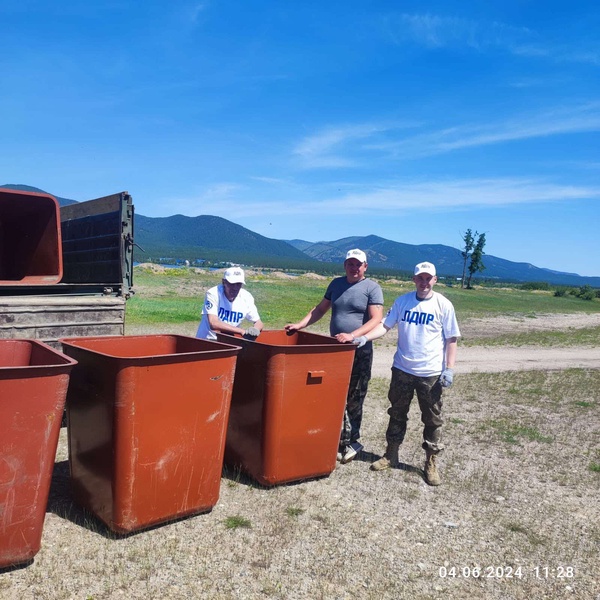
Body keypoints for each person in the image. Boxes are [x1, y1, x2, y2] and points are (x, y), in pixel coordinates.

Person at [353, 261, 460, 486]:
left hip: (430, 374)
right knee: (397, 413)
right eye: (420, 278)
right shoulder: (403, 302)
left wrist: (449, 368)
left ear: (435, 280)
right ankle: (391, 454)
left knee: (432, 419)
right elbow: (385, 325)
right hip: (402, 370)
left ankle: (430, 462)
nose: (424, 282)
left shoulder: (444, 305)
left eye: (428, 278)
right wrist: (365, 337)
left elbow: (451, 339)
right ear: (414, 280)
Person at [285, 249, 384, 464]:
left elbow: (376, 319)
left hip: (359, 351)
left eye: (358, 264)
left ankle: (352, 441)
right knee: (334, 395)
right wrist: (300, 324)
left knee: (355, 396)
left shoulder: (372, 287)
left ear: (365, 266)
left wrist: (352, 335)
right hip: (336, 350)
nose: (354, 268)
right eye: (350, 263)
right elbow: (320, 309)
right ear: (344, 265)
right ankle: (335, 436)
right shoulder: (336, 284)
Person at [196, 267, 264, 340]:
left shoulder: (246, 297)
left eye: (238, 284)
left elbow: (258, 322)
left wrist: (255, 329)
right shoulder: (213, 293)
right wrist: (242, 331)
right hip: (208, 340)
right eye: (231, 284)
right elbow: (213, 323)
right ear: (223, 282)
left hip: (229, 341)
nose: (235, 288)